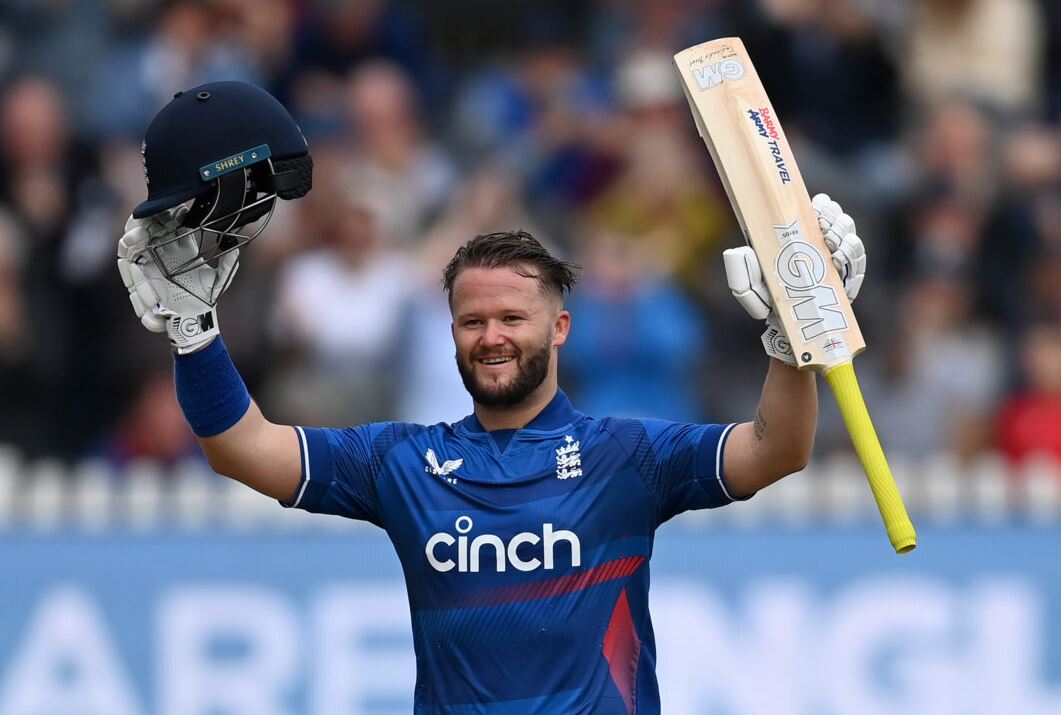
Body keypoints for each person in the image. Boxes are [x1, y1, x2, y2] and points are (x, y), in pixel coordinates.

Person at [117, 81, 866, 713]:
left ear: (560, 327)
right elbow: (242, 448)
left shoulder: (627, 455)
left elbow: (776, 449)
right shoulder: (405, 462)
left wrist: (791, 342)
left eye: (512, 318)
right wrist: (194, 334)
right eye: (472, 322)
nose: (491, 337)